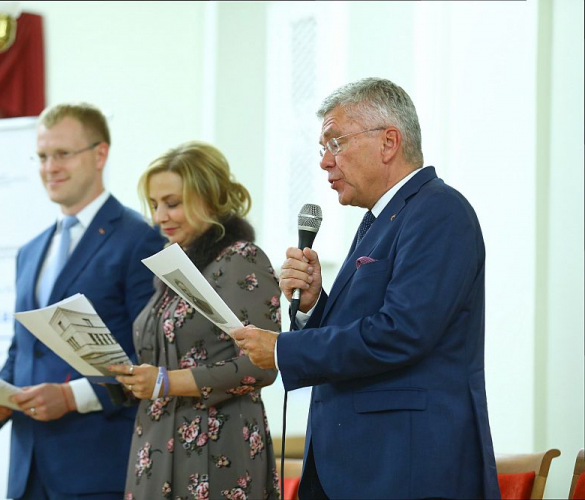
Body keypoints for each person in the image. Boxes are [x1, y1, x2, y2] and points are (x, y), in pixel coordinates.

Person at [234, 78, 500, 499]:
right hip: (361, 464)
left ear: (388, 142)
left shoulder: (438, 210)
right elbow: (365, 326)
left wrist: (284, 350)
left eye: (335, 143)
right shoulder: (382, 219)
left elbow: (402, 332)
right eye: (323, 148)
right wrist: (313, 305)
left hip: (406, 467)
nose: (324, 162)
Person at [0, 102, 165, 500]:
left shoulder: (139, 238)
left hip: (96, 465)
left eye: (62, 154)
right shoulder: (29, 251)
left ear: (100, 154)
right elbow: (23, 347)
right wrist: (0, 397)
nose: (49, 167)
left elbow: (149, 354)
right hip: (27, 467)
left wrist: (69, 398)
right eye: (42, 156)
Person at [108, 141, 282, 500]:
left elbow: (262, 366)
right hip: (155, 444)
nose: (159, 217)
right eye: (155, 205)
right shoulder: (175, 267)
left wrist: (166, 382)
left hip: (215, 449)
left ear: (209, 199)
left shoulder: (240, 259)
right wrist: (132, 379)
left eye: (172, 204)